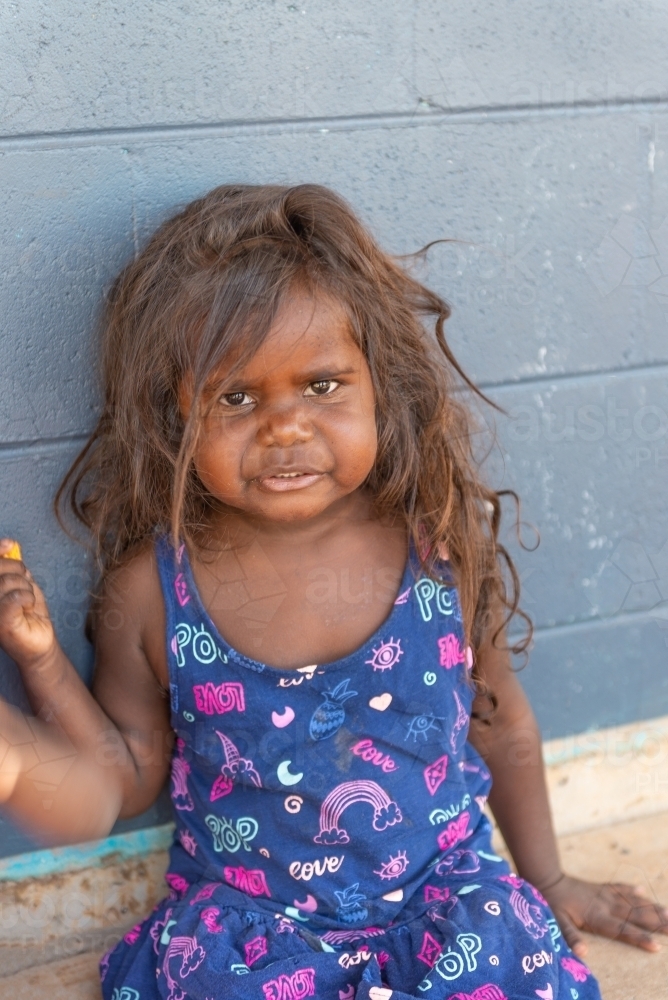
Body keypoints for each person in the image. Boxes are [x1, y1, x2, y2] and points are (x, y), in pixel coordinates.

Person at [0, 185, 665, 1000]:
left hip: (445, 909)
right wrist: (40, 665)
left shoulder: (439, 547)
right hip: (254, 938)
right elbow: (124, 781)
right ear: (176, 415)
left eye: (321, 385)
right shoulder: (152, 592)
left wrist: (549, 878)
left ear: (380, 383)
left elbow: (503, 722)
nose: (285, 427)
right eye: (236, 398)